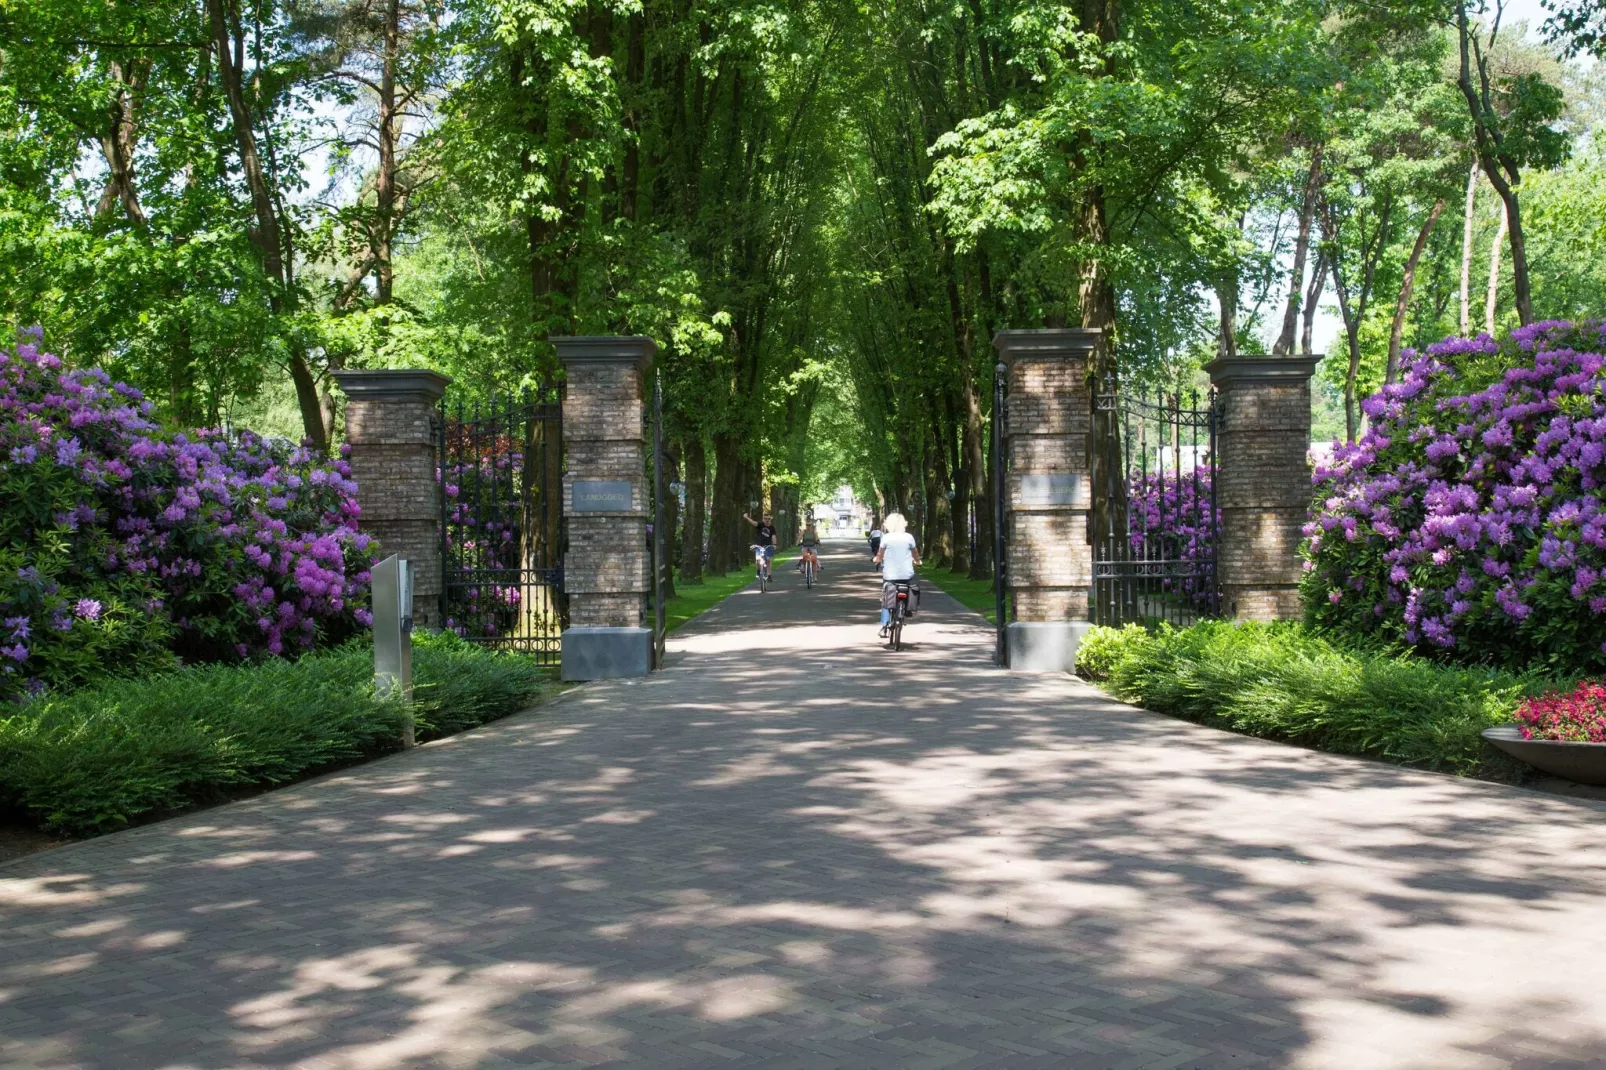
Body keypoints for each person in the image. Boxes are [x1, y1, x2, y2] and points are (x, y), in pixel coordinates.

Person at [873, 512, 919, 636]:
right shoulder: (909, 537)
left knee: (887, 598)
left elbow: (880, 554)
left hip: (890, 575)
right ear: (903, 524)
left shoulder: (887, 537)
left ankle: (884, 626)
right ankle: (906, 610)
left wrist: (877, 560)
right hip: (906, 574)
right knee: (907, 589)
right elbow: (915, 553)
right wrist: (918, 561)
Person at [743, 511, 777, 580]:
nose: (767, 520)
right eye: (765, 519)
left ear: (770, 520)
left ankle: (769, 575)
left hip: (768, 546)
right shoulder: (760, 525)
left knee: (768, 559)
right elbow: (754, 523)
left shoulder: (772, 528)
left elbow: (773, 536)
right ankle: (758, 571)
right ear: (763, 519)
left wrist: (774, 544)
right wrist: (747, 518)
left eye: (768, 519)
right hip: (759, 546)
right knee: (758, 559)